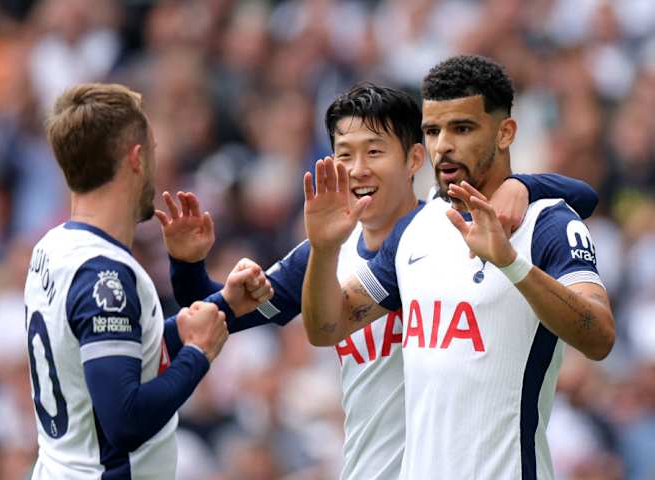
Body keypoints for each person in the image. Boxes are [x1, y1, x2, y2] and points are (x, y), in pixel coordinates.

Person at [163, 83, 599, 479]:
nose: (356, 170)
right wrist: (188, 267)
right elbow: (210, 317)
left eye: (374, 152)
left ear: (414, 159)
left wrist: (522, 184)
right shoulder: (324, 256)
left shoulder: (446, 229)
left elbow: (582, 196)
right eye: (344, 154)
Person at [300, 57, 616, 479]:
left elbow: (599, 337)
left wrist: (511, 264)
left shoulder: (549, 224)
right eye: (432, 131)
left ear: (505, 133)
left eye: (461, 129)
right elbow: (326, 328)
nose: (442, 146)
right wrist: (324, 249)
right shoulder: (417, 229)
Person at [24, 83, 270, 479]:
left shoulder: (51, 248)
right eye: (153, 150)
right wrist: (198, 354)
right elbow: (125, 420)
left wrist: (219, 307)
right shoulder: (105, 274)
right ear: (136, 159)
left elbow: (118, 356)